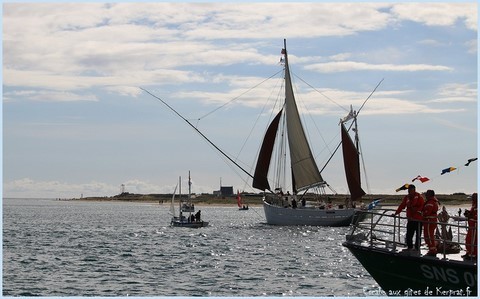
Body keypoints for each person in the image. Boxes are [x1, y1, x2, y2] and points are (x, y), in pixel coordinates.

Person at [393, 184, 424, 252]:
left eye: (410, 190)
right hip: (410, 219)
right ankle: (409, 247)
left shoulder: (419, 197)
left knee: (418, 235)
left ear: (414, 190)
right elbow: (402, 206)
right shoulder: (406, 197)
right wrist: (396, 213)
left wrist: (416, 210)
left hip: (418, 220)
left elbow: (422, 206)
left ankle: (417, 248)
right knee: (409, 234)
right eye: (408, 190)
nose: (409, 192)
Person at [422, 190, 439, 256]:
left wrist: (422, 214)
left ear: (430, 195)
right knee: (428, 235)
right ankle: (432, 248)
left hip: (430, 221)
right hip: (430, 221)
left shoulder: (431, 202)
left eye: (427, 194)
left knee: (429, 236)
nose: (425, 195)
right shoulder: (432, 201)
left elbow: (427, 212)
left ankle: (432, 250)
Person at [463, 193, 477, 259]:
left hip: (475, 226)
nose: (471, 199)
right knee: (468, 240)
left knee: (473, 241)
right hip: (471, 226)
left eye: (472, 198)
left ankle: (473, 255)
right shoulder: (474, 205)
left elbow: (476, 216)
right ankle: (468, 252)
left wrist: (470, 215)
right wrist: (468, 213)